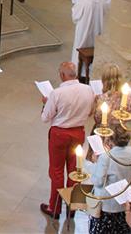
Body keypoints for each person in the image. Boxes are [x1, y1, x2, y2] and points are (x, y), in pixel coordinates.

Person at [40, 61, 96, 218]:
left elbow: (45, 118)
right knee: (74, 170)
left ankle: (55, 208)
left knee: (56, 171)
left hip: (59, 135)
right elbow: (91, 112)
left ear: (62, 75)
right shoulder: (88, 90)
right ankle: (72, 207)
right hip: (78, 133)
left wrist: (46, 104)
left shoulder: (56, 93)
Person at [88, 129, 131, 234]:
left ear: (110, 140)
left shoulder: (106, 157)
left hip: (108, 203)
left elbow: (98, 181)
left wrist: (96, 162)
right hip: (126, 201)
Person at [70, 0, 110, 68]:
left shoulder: (83, 1)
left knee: (79, 49)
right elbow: (106, 13)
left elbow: (75, 17)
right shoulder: (103, 1)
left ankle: (78, 70)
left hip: (83, 33)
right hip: (97, 33)